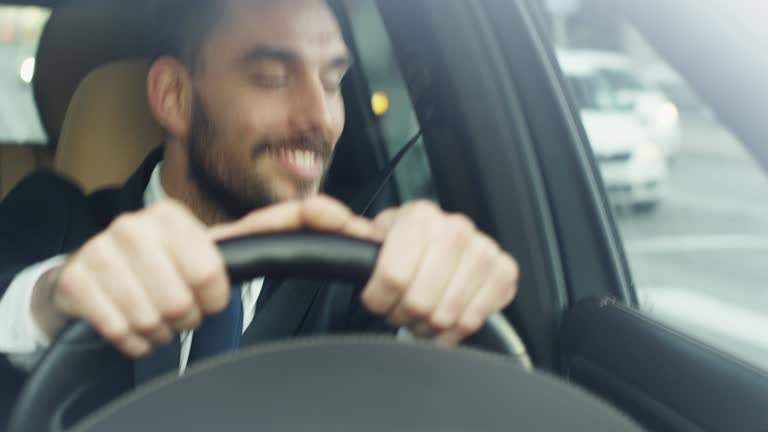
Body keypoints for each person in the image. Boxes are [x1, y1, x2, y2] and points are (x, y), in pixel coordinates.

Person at [0, 0, 520, 388]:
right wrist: (56, 298)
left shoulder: (357, 280)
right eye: (273, 77)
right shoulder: (54, 216)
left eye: (334, 82)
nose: (320, 118)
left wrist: (446, 305)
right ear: (175, 97)